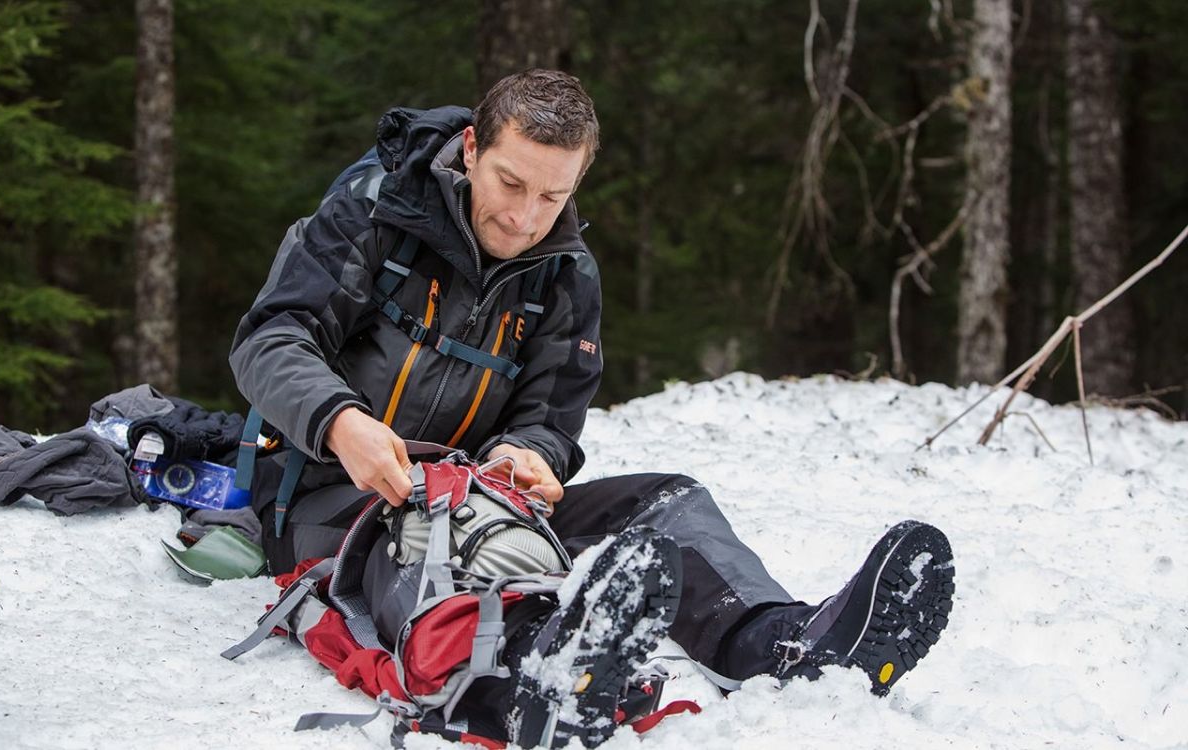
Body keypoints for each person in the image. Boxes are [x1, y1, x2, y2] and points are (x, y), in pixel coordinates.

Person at [230, 69, 955, 747]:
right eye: (510, 184)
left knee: (668, 502)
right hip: (329, 495)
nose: (522, 219)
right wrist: (339, 422)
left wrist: (532, 456)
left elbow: (550, 412)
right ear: (473, 148)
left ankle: (777, 643)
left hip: (477, 493)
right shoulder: (372, 212)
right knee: (423, 532)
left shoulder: (567, 273)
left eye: (551, 197)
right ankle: (526, 671)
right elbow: (272, 337)